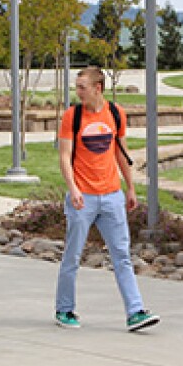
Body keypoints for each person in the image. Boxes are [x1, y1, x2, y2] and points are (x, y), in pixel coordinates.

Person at [55, 66, 160, 332]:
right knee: (73, 255)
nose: (78, 92)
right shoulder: (72, 116)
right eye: (76, 86)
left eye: (82, 87)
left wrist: (131, 188)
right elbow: (65, 157)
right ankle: (64, 309)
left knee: (122, 255)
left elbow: (121, 153)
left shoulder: (115, 113)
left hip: (111, 196)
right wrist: (73, 188)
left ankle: (135, 311)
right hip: (83, 198)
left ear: (97, 88)